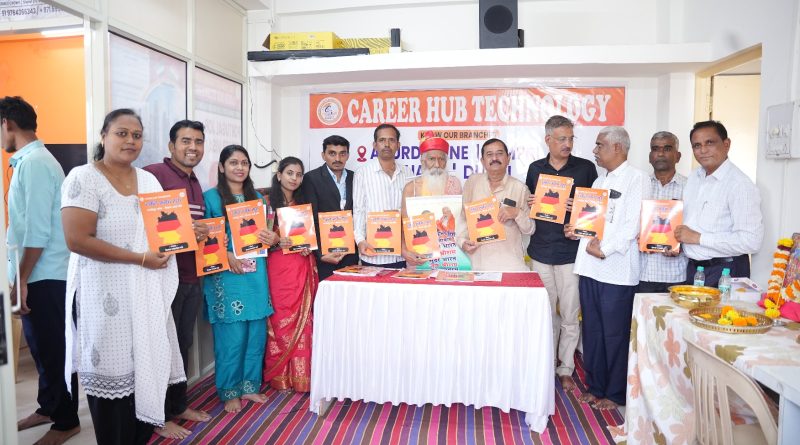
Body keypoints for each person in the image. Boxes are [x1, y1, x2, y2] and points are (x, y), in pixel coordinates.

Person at [61, 109, 185, 444]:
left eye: (137, 135)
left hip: (145, 293)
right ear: (104, 136)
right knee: (113, 373)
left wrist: (185, 235)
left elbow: (164, 230)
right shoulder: (83, 178)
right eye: (122, 133)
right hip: (104, 297)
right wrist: (140, 259)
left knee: (146, 364)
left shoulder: (149, 181)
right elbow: (77, 240)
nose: (130, 140)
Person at [2, 96, 80, 445]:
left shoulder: (34, 163)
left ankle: (65, 421)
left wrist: (20, 280)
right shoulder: (30, 161)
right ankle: (48, 407)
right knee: (41, 349)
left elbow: (36, 232)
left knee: (54, 350)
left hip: (45, 275)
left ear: (7, 124)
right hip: (38, 273)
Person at [568, 126, 646, 410]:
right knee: (592, 331)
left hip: (617, 270)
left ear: (618, 147)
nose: (595, 150)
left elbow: (633, 225)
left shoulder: (638, 179)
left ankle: (615, 394)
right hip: (589, 268)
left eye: (600, 145)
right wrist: (575, 230)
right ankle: (595, 386)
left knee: (614, 334)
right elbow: (591, 222)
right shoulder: (599, 181)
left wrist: (606, 248)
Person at [143, 120, 211, 439]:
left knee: (181, 344)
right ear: (171, 146)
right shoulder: (154, 175)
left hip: (190, 276)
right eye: (186, 141)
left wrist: (202, 231)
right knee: (160, 347)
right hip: (162, 277)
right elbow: (143, 222)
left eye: (198, 141)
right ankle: (158, 416)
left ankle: (178, 406)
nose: (192, 147)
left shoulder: (194, 181)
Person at [525, 115, 597, 391]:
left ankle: (566, 367)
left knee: (569, 314)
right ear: (548, 140)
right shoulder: (535, 169)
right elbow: (529, 209)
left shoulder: (586, 169)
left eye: (571, 138)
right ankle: (545, 364)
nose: (568, 144)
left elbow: (596, 211)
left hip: (571, 254)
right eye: (562, 139)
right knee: (545, 315)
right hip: (540, 252)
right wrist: (530, 202)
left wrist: (577, 209)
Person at [203, 145, 277, 413]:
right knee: (231, 338)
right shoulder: (211, 199)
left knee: (256, 334)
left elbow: (269, 234)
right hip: (227, 274)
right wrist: (225, 255)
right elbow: (204, 238)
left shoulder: (258, 199)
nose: (240, 167)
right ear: (222, 167)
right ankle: (229, 390)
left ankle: (249, 386)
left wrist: (272, 237)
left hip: (255, 274)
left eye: (244, 163)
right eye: (233, 162)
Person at [675, 120, 764, 287]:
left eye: (709, 143)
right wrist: (676, 244)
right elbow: (691, 224)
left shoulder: (739, 185)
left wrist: (699, 238)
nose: (703, 150)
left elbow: (751, 241)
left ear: (726, 144)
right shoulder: (694, 177)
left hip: (726, 271)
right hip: (694, 269)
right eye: (697, 145)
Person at [263, 157, 319, 392]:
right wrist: (277, 240)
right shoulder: (266, 204)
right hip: (278, 268)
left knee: (304, 320)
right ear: (279, 175)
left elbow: (308, 237)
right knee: (280, 318)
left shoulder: (303, 205)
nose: (294, 178)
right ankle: (280, 375)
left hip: (300, 265)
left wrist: (307, 247)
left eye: (298, 174)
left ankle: (301, 376)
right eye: (289, 173)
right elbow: (257, 241)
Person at [457, 138, 533, 271]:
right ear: (482, 161)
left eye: (499, 153)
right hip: (478, 265)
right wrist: (462, 241)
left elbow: (530, 229)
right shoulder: (472, 183)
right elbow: (463, 218)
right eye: (489, 154)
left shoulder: (520, 188)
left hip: (511, 266)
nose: (494, 158)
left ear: (508, 158)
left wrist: (517, 213)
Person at [401, 132, 463, 268]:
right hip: (420, 257)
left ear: (446, 161)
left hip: (450, 256)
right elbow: (403, 226)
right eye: (431, 159)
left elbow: (461, 220)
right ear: (423, 161)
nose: (437, 164)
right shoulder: (411, 188)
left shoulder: (455, 184)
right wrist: (404, 250)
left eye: (441, 159)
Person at [353, 123, 410, 268]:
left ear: (398, 145)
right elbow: (359, 210)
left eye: (391, 140)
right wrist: (360, 240)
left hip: (401, 255)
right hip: (372, 254)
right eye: (382, 140)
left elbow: (410, 212)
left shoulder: (407, 173)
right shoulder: (362, 173)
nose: (387, 144)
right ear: (375, 145)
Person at [303, 135, 358, 280]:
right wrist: (320, 253)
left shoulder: (356, 177)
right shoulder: (311, 178)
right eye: (332, 153)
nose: (337, 158)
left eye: (342, 153)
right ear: (323, 155)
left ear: (348, 155)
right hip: (325, 255)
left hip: (350, 253)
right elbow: (310, 218)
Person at [639, 131, 688, 293]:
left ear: (678, 156)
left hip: (676, 275)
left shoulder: (690, 188)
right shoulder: (639, 185)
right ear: (650, 156)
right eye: (655, 149)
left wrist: (681, 246)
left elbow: (697, 226)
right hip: (642, 273)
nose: (660, 153)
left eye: (667, 149)